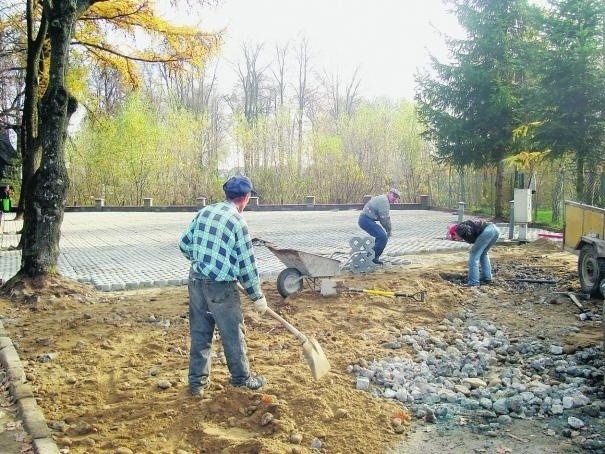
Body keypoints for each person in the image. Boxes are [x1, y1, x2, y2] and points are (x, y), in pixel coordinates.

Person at [179, 175, 267, 397]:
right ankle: (241, 379)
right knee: (232, 333)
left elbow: (184, 244)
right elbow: (247, 264)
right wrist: (257, 296)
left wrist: (202, 261)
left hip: (196, 281)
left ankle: (197, 384)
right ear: (246, 198)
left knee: (200, 332)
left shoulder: (205, 212)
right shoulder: (238, 221)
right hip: (220, 287)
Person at [450, 219, 500, 286]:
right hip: (495, 230)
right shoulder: (462, 230)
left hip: (487, 231)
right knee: (483, 253)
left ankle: (473, 282)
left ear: (455, 232)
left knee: (473, 255)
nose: (456, 239)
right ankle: (487, 277)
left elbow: (466, 229)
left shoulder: (459, 228)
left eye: (455, 237)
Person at [358, 188, 400, 264]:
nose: (395, 199)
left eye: (396, 197)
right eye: (394, 196)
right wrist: (389, 230)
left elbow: (383, 218)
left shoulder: (383, 198)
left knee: (380, 236)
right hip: (365, 220)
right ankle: (369, 258)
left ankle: (373, 257)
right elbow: (384, 219)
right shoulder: (384, 201)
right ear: (389, 193)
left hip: (365, 219)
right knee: (383, 237)